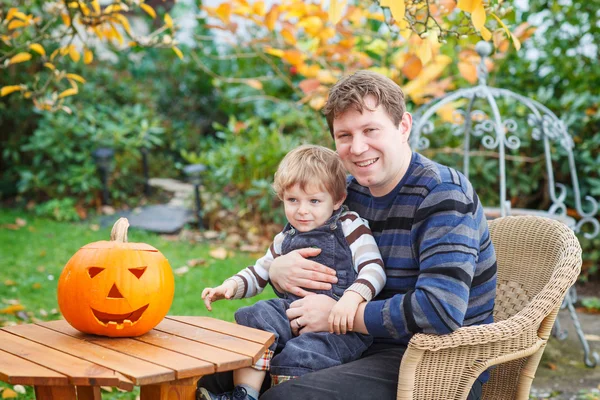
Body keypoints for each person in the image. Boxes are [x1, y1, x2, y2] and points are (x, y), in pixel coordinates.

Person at [198, 70, 497, 400]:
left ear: (403, 127)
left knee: (285, 397)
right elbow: (298, 245)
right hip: (348, 341)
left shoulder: (443, 195)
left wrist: (339, 316)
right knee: (212, 375)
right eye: (344, 135)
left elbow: (440, 310)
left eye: (371, 130)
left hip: (431, 358)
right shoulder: (346, 191)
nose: (357, 147)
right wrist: (278, 272)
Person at [197, 144, 385, 400]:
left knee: (300, 354)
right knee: (255, 318)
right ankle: (245, 394)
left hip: (337, 325)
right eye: (292, 200)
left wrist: (352, 299)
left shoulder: (350, 226)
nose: (302, 210)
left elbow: (373, 268)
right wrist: (229, 286)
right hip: (291, 312)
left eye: (314, 201)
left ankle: (280, 391)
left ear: (338, 199)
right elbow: (260, 271)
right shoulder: (285, 237)